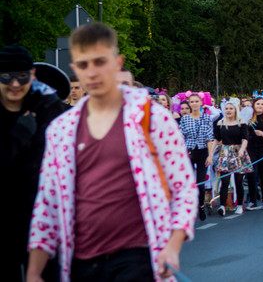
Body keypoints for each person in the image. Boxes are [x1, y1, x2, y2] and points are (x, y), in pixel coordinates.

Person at [26, 23, 196, 282]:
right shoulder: (61, 130)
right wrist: (34, 271)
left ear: (117, 63)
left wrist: (172, 247)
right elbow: (47, 203)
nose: (92, 72)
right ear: (74, 70)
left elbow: (184, 187)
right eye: (83, 65)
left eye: (100, 62)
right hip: (81, 262)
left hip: (138, 256)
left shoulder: (151, 118)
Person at [2, 45, 68, 282]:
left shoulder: (49, 107)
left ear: (31, 75)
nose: (15, 84)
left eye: (21, 77)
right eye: (6, 77)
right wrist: (20, 134)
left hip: (43, 219)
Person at [180, 92, 215, 221]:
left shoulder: (206, 118)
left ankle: (201, 205)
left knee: (200, 182)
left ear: (201, 103)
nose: (194, 104)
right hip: (188, 152)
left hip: (202, 152)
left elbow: (209, 138)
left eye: (196, 101)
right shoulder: (185, 119)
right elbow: (181, 138)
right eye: (191, 102)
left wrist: (210, 155)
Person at [214, 98, 249, 215]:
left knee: (238, 181)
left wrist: (242, 150)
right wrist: (211, 153)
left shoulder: (241, 122)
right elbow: (217, 139)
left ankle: (239, 205)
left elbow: (245, 138)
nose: (228, 111)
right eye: (226, 108)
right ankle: (222, 206)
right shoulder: (220, 123)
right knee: (224, 181)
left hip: (238, 151)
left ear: (235, 110)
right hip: (225, 152)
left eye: (231, 108)